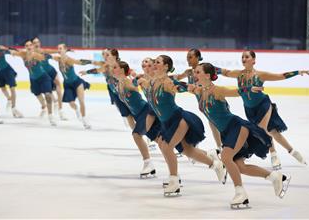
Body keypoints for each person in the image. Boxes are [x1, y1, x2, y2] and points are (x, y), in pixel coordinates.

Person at [189, 62, 291, 209]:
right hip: (226, 132)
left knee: (225, 157)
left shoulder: (217, 90)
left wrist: (250, 88)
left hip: (236, 127)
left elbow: (237, 91)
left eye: (197, 72)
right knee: (240, 167)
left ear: (206, 75)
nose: (194, 75)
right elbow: (180, 86)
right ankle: (275, 177)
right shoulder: (198, 91)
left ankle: (240, 194)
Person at [215, 50, 309, 169]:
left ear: (254, 60)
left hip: (263, 104)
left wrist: (298, 72)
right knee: (273, 132)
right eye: (242, 57)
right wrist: (206, 67)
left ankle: (273, 154)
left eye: (247, 56)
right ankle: (292, 151)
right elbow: (225, 72)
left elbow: (280, 76)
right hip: (249, 109)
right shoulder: (238, 74)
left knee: (262, 128)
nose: (244, 58)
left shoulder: (260, 75)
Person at [148, 55, 226, 196]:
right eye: (154, 62)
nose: (154, 64)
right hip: (166, 122)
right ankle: (215, 164)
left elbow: (178, 86)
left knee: (167, 147)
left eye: (157, 62)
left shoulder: (167, 82)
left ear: (165, 66)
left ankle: (174, 181)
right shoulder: (153, 80)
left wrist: (189, 87)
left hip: (178, 120)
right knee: (187, 151)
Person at [113, 60, 156, 177]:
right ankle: (194, 152)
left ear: (122, 70)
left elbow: (136, 86)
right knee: (159, 139)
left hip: (145, 111)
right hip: (138, 114)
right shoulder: (118, 85)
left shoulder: (126, 82)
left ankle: (148, 163)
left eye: (115, 67)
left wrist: (139, 80)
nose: (113, 69)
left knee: (137, 135)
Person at [11, 40, 56, 126]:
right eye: (26, 45)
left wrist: (58, 56)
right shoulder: (23, 54)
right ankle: (44, 107)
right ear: (25, 47)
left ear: (33, 46)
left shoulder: (36, 55)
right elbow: (13, 52)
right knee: (37, 94)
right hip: (33, 79)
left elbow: (47, 56)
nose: (29, 47)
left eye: (30, 45)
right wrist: (11, 52)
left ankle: (50, 116)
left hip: (43, 77)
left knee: (48, 95)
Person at [52, 43, 91, 129]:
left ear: (65, 50)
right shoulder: (58, 59)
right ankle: (77, 110)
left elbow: (79, 62)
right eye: (58, 48)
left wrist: (90, 62)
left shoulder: (69, 60)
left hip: (76, 82)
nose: (59, 50)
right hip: (67, 84)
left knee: (81, 101)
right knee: (71, 103)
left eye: (61, 48)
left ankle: (85, 121)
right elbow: (48, 56)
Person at [0, 34, 23, 118]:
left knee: (12, 88)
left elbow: (9, 50)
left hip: (7, 69)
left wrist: (14, 52)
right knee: (3, 88)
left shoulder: (1, 47)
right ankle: (9, 99)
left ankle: (14, 108)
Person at [32, 37, 67, 120]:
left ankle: (60, 109)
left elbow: (51, 51)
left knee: (58, 84)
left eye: (38, 42)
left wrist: (60, 51)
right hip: (43, 73)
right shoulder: (31, 54)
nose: (37, 44)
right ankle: (51, 104)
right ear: (32, 45)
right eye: (35, 43)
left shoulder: (43, 51)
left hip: (50, 70)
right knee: (47, 91)